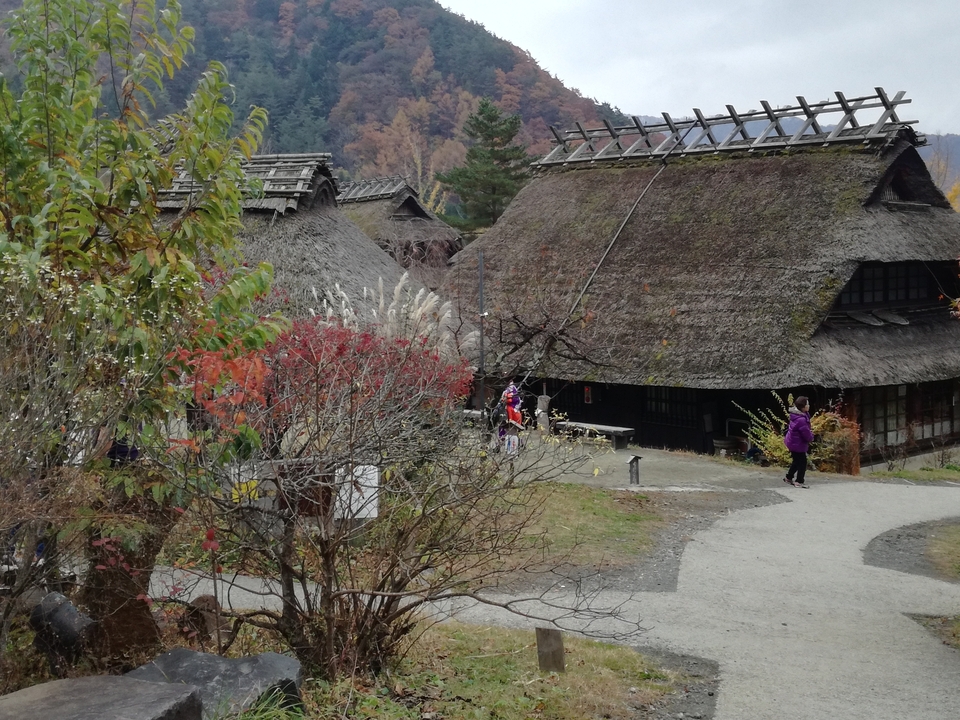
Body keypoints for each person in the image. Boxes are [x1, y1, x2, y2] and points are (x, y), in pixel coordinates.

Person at [783, 396, 814, 488]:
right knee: (802, 462)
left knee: (797, 461)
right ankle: (799, 481)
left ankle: (788, 477)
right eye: (807, 404)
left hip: (793, 442)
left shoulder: (798, 415)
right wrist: (811, 437)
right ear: (803, 407)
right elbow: (806, 433)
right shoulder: (801, 419)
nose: (809, 405)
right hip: (797, 444)